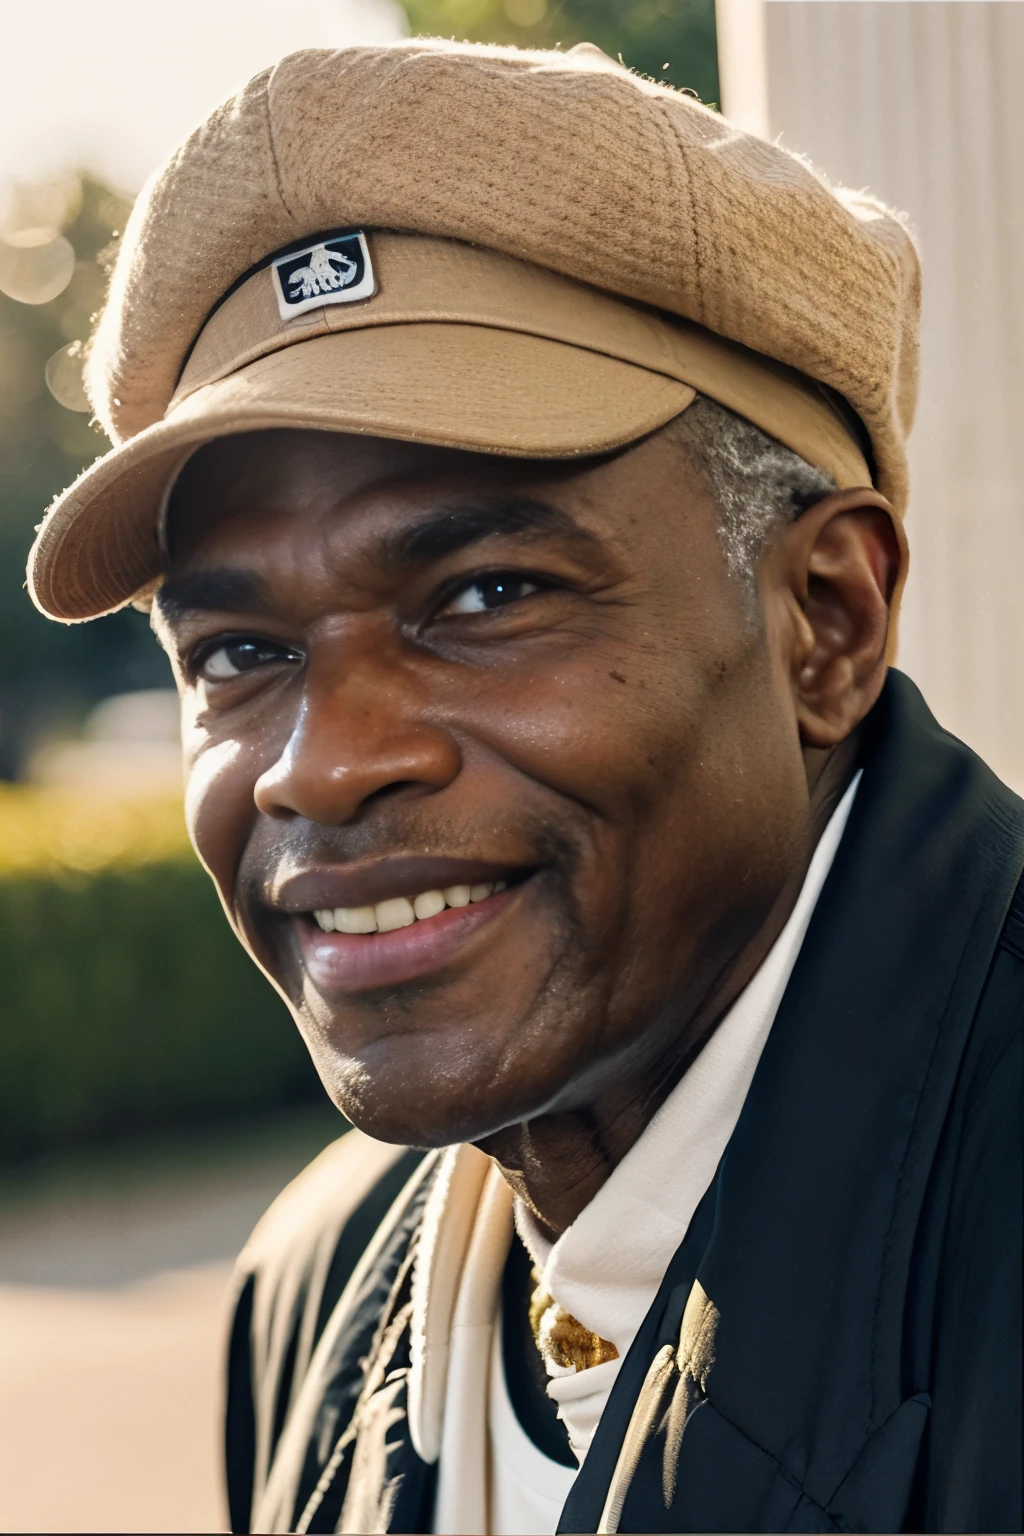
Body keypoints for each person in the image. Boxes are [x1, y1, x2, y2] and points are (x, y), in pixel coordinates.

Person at [28, 39, 1021, 1536]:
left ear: (827, 621)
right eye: (238, 650)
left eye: (486, 595)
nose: (326, 760)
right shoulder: (314, 1293)